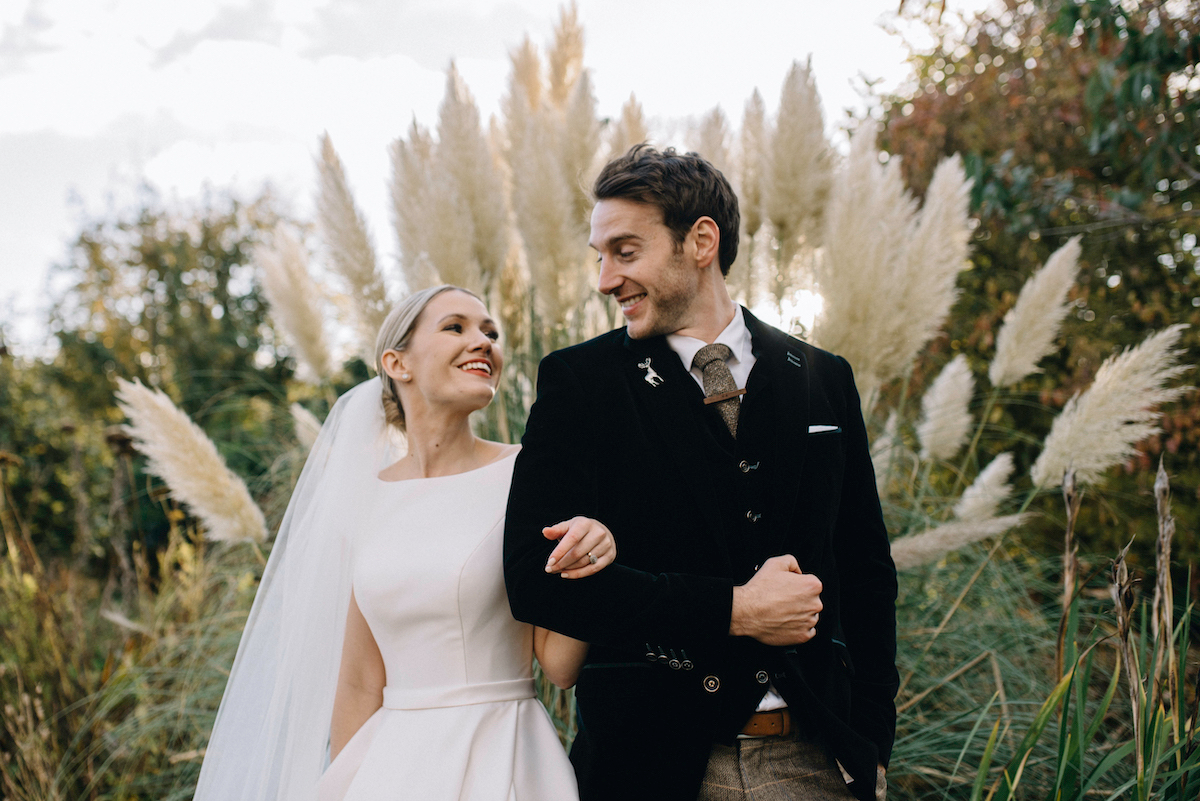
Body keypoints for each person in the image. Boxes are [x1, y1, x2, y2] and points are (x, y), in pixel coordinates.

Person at [503, 145, 898, 801]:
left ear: (701, 241)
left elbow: (866, 570)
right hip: (648, 768)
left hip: (816, 762)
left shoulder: (825, 376)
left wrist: (872, 743)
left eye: (625, 252)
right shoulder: (579, 382)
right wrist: (734, 609)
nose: (604, 278)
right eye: (599, 255)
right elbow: (534, 583)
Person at [194, 285, 615, 801]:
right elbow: (360, 682)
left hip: (503, 756)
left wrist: (595, 560)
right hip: (391, 766)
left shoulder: (527, 477)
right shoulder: (365, 498)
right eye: (454, 327)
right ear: (398, 362)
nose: (483, 341)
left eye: (490, 332)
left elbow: (558, 665)